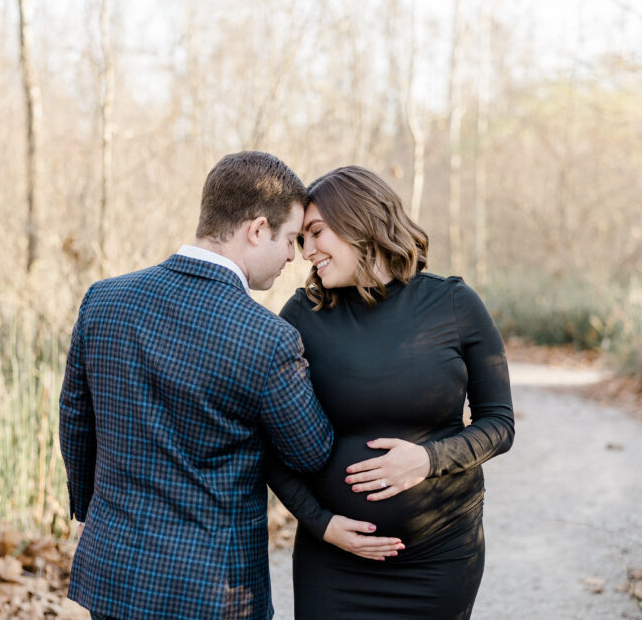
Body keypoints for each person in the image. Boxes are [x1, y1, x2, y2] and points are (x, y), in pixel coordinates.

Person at [59, 151, 336, 620]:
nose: (294, 255)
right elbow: (311, 452)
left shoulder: (103, 300)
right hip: (212, 588)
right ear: (256, 229)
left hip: (113, 570)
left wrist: (95, 516)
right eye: (289, 239)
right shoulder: (267, 338)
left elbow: (75, 424)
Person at [267, 166, 514, 619]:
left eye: (316, 233)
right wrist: (322, 525)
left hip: (440, 557)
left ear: (360, 221)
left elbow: (499, 425)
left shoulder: (454, 304)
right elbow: (268, 440)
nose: (307, 252)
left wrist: (429, 458)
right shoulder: (302, 316)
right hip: (334, 565)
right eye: (301, 239)